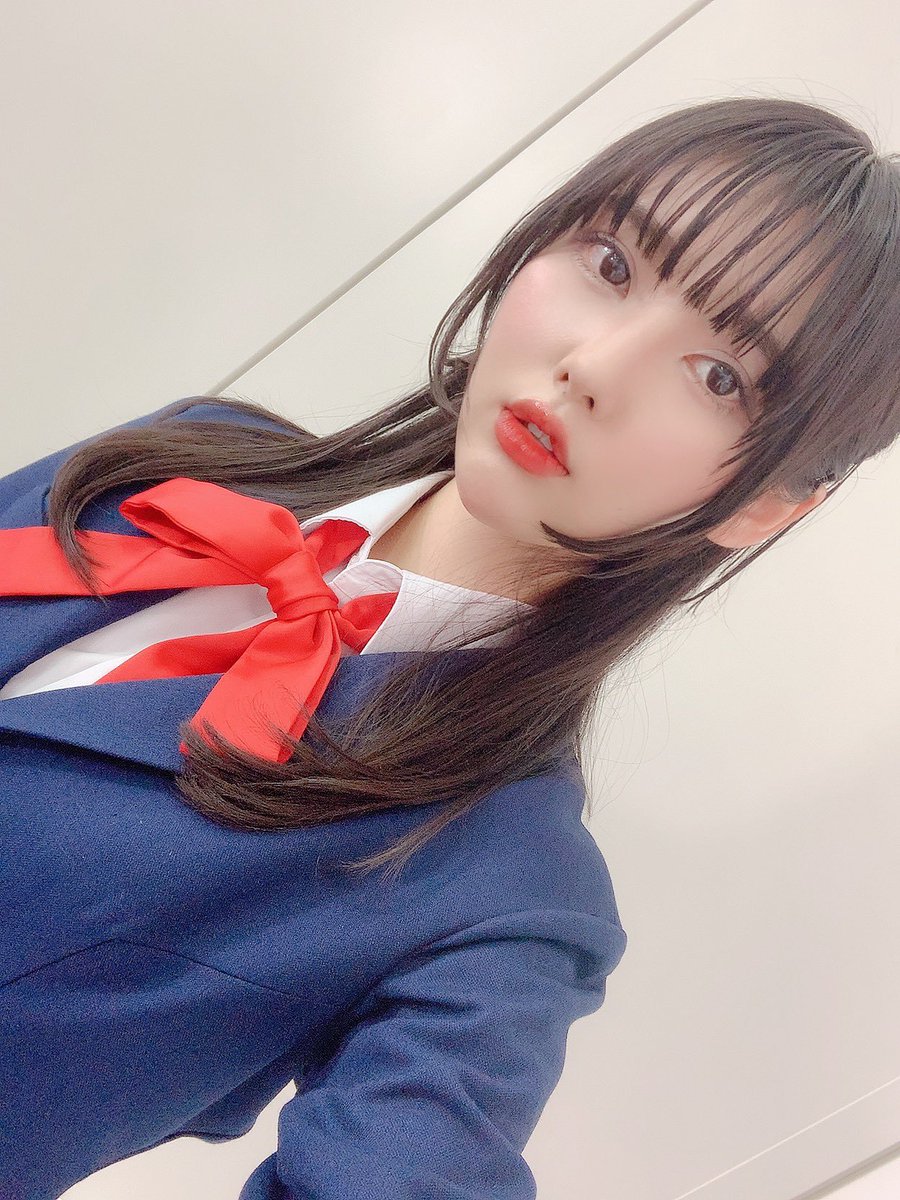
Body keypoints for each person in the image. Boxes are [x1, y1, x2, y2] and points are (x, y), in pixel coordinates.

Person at [1, 94, 898, 1199]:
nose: (595, 364)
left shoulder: (507, 897)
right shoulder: (194, 456)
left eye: (721, 376)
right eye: (611, 263)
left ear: (769, 503)